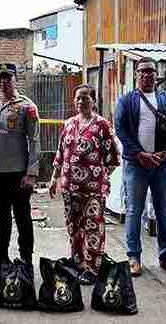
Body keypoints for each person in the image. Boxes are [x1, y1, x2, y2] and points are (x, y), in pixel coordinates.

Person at [114, 57, 166, 278]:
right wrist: (140, 154)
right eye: (143, 72)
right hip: (136, 165)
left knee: (164, 212)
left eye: (151, 72)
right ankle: (134, 257)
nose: (147, 75)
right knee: (135, 211)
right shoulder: (127, 100)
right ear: (137, 75)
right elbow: (120, 129)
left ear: (157, 75)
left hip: (162, 165)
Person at [50, 84, 120, 285]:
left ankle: (92, 267)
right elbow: (60, 154)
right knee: (73, 227)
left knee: (92, 227)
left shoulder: (102, 125)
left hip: (92, 190)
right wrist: (55, 178)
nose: (81, 102)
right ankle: (77, 262)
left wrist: (100, 179)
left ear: (93, 101)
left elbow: (112, 158)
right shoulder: (69, 124)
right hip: (69, 187)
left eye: (85, 98)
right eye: (78, 99)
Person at [0, 63, 40, 265]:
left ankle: (25, 257)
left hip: (18, 173)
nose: (3, 82)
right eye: (0, 78)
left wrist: (31, 173)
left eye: (7, 77)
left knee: (22, 216)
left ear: (15, 79)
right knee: (1, 217)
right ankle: (1, 256)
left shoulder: (27, 106)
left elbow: (34, 140)